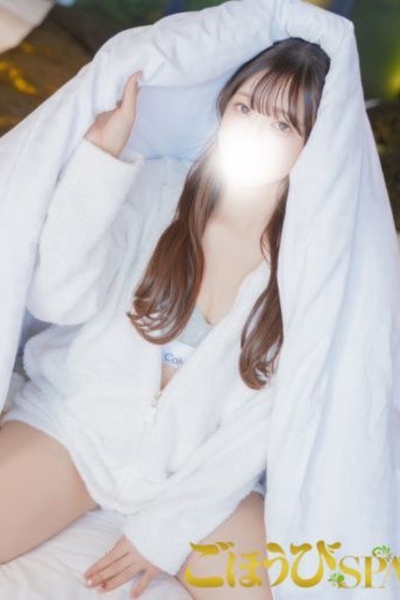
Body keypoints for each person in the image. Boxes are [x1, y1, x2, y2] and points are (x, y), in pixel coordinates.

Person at [0, 36, 330, 599]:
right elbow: (57, 300)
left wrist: (165, 531)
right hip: (75, 430)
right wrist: (100, 159)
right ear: (223, 108)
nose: (255, 130)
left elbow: (261, 425)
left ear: (313, 146)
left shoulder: (307, 269)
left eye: (282, 124)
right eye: (245, 107)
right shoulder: (157, 189)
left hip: (197, 476)